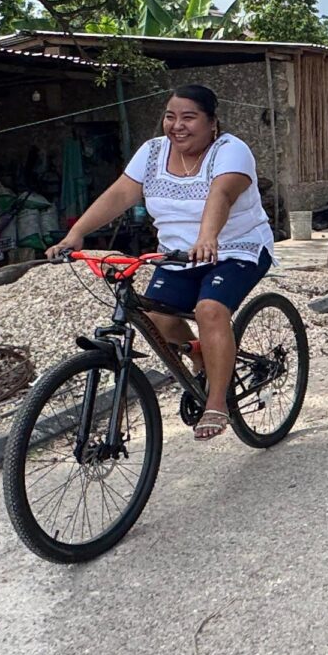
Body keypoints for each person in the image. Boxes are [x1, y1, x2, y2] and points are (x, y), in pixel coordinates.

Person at [48, 85, 276, 438]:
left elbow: (222, 193)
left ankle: (217, 402)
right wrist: (76, 234)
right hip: (176, 255)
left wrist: (207, 236)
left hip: (237, 249)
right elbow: (121, 193)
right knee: (156, 318)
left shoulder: (231, 151)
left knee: (210, 310)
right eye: (170, 117)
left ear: (212, 122)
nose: (177, 125)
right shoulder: (152, 152)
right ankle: (199, 354)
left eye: (189, 117)